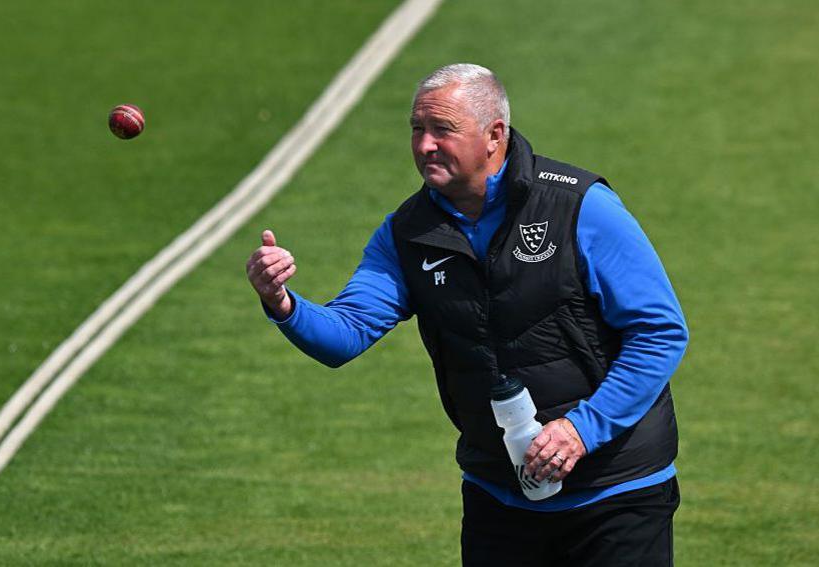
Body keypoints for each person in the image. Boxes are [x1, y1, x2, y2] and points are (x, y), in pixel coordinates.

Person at [246, 63, 688, 566]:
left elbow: (660, 332)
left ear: (494, 135)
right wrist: (282, 303)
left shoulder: (578, 205)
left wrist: (579, 430)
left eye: (443, 130)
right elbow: (345, 334)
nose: (425, 145)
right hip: (499, 494)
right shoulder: (407, 234)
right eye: (417, 128)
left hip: (615, 491)